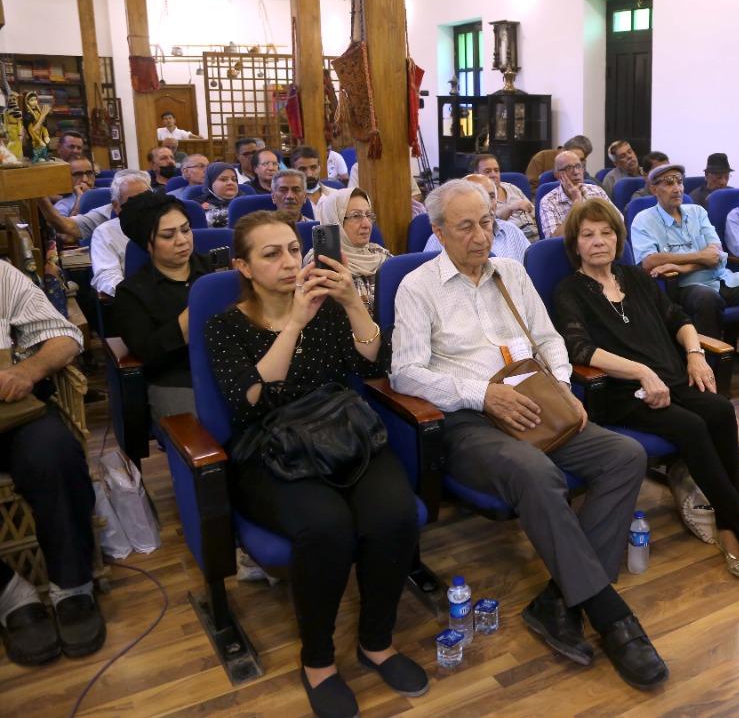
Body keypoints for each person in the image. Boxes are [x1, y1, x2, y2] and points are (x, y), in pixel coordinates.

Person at [389, 180, 668, 690]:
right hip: (469, 420)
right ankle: (610, 615)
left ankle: (558, 600)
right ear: (439, 232)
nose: (481, 236)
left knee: (625, 455)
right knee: (537, 473)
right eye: (465, 227)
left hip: (538, 404)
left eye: (486, 222)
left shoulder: (511, 273)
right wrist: (482, 394)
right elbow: (405, 373)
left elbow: (548, 339)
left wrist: (560, 388)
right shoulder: (418, 286)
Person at [207, 211, 427, 716]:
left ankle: (376, 642)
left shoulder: (327, 307)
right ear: (243, 266)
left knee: (394, 514)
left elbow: (374, 363)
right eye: (271, 254)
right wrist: (293, 324)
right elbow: (250, 401)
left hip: (341, 432)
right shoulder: (225, 326)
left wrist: (351, 302)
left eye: (293, 249)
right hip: (270, 447)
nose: (290, 262)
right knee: (326, 527)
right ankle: (319, 660)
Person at [554, 199, 739, 581]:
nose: (599, 241)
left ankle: (727, 527)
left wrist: (695, 355)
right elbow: (579, 349)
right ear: (575, 244)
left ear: (618, 238)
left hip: (671, 377)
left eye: (607, 232)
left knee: (720, 410)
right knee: (691, 426)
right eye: (588, 235)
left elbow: (679, 319)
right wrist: (641, 372)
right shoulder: (569, 290)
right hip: (619, 392)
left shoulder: (635, 277)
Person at [0, 259, 105, 666]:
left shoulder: (2, 276)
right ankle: (10, 592)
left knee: (56, 452)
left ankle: (72, 584)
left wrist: (27, 370)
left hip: (11, 411)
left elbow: (65, 336)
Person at [113, 192, 213, 420]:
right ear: (147, 244)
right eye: (168, 235)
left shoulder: (217, 270)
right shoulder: (132, 292)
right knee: (200, 431)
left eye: (186, 230)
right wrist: (194, 314)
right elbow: (148, 353)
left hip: (232, 366)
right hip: (177, 378)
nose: (182, 241)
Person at [632, 163, 739, 340]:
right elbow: (649, 261)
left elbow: (715, 253)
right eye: (669, 183)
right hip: (684, 286)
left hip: (722, 277)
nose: (677, 189)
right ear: (654, 189)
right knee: (707, 298)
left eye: (679, 182)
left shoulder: (697, 212)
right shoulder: (643, 220)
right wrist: (701, 257)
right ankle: (708, 356)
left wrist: (681, 266)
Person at [304, 188, 391, 318]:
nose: (367, 224)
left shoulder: (381, 255)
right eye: (356, 216)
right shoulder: (321, 266)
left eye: (368, 215)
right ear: (335, 220)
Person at [423, 175, 529, 262]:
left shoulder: (512, 231)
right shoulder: (441, 237)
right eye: (466, 227)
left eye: (491, 196)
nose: (486, 204)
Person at [89, 170, 152, 297]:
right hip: (134, 298)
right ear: (116, 206)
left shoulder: (166, 224)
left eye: (148, 198)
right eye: (134, 201)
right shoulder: (105, 233)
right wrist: (139, 295)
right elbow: (107, 277)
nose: (143, 205)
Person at [538, 150, 611, 238]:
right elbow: (554, 239)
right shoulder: (548, 201)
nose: (576, 172)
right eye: (569, 168)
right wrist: (576, 203)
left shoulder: (596, 191)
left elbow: (619, 222)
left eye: (578, 166)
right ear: (558, 175)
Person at [471, 152, 537, 241]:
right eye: (487, 171)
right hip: (510, 241)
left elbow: (534, 213)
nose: (493, 175)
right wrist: (510, 208)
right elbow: (490, 224)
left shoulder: (511, 187)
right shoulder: (476, 197)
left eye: (496, 170)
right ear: (476, 174)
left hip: (535, 236)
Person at [526, 134, 592, 181]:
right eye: (573, 156)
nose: (576, 162)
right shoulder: (542, 158)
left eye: (581, 159)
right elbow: (531, 187)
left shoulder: (582, 172)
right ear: (563, 150)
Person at [199, 161, 240, 228]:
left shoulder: (246, 201)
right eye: (223, 179)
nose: (231, 183)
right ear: (210, 183)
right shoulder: (198, 205)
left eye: (234, 179)